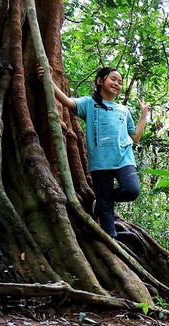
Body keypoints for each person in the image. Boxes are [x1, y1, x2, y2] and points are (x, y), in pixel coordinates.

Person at [39, 65, 150, 238]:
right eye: (113, 79)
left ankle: (101, 201)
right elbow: (67, 101)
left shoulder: (123, 110)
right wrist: (48, 79)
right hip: (100, 162)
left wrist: (143, 115)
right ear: (100, 81)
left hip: (124, 159)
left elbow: (135, 137)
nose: (117, 83)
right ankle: (110, 236)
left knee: (132, 190)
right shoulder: (89, 103)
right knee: (109, 231)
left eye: (120, 82)